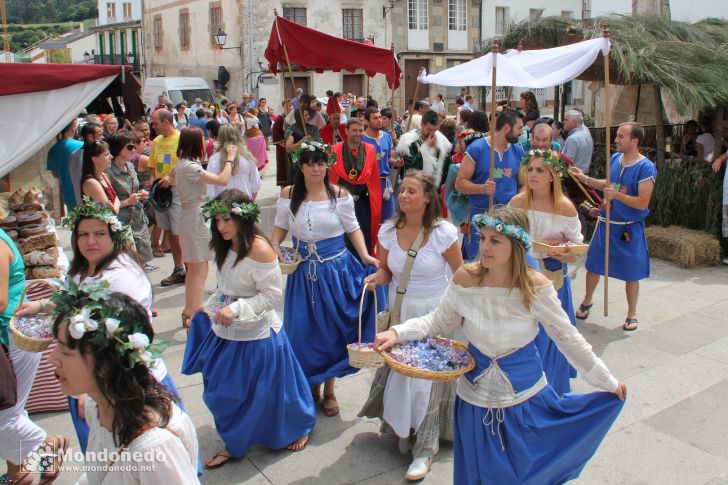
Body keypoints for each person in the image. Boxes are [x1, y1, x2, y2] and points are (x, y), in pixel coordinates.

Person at [374, 205, 626, 485]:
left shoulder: (535, 286)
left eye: (495, 241)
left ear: (516, 245)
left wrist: (608, 382)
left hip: (525, 400)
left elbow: (569, 339)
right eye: (482, 239)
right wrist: (398, 332)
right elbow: (437, 322)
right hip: (473, 403)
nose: (485, 247)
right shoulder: (465, 279)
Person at [15, 199, 184, 458]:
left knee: (134, 459)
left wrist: (91, 388)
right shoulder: (84, 268)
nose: (90, 241)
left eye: (99, 234)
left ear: (114, 236)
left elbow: (120, 341)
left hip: (121, 385)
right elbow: (75, 300)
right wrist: (40, 305)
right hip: (90, 379)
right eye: (83, 234)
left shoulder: (123, 278)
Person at [182, 190, 316, 468]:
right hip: (226, 330)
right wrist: (208, 307)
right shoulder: (224, 245)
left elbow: (271, 296)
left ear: (243, 218)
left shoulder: (260, 248)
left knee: (273, 394)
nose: (221, 227)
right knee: (221, 391)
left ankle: (296, 427)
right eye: (217, 221)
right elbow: (223, 288)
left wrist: (237, 309)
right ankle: (235, 440)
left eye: (227, 220)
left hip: (258, 335)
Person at [360, 170, 462, 481]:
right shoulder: (388, 231)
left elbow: (460, 275)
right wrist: (377, 278)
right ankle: (404, 431)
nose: (403, 196)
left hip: (434, 314)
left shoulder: (444, 232)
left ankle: (425, 448)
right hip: (401, 314)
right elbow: (387, 271)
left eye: (412, 191)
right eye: (402, 190)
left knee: (425, 382)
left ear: (428, 197)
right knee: (404, 377)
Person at [49, 286, 200, 483]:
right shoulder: (97, 408)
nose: (52, 358)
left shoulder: (154, 450)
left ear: (106, 364)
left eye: (66, 352)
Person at [271, 142, 378, 418]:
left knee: (332, 331)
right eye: (311, 163)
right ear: (301, 166)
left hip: (334, 271)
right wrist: (272, 248)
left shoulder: (339, 194)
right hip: (302, 273)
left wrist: (365, 255)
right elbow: (281, 226)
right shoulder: (289, 194)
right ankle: (310, 384)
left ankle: (329, 389)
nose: (317, 168)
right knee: (303, 331)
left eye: (321, 163)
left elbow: (353, 228)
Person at [570, 122, 657, 331]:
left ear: (634, 141)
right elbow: (607, 184)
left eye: (620, 136)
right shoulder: (616, 159)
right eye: (616, 136)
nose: (616, 140)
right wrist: (585, 179)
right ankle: (587, 300)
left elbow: (642, 202)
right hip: (607, 222)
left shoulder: (645, 167)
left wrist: (616, 195)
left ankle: (631, 313)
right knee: (594, 265)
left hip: (628, 227)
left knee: (631, 271)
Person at [509, 149, 583, 395]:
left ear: (552, 175)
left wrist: (566, 253)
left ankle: (550, 389)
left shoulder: (565, 207)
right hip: (521, 277)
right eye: (530, 169)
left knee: (552, 336)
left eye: (540, 170)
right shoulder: (518, 202)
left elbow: (576, 248)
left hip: (553, 279)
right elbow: (506, 237)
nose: (533, 174)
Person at [0, 228, 66, 484]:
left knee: (5, 416)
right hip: (13, 336)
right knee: (12, 411)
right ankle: (18, 473)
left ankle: (48, 444)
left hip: (10, 337)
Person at [170, 127, 234, 328]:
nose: (206, 141)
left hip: (191, 215)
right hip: (196, 218)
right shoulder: (190, 166)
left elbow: (171, 176)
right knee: (199, 270)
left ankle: (189, 311)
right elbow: (223, 180)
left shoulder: (184, 164)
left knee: (194, 269)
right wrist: (230, 158)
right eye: (203, 139)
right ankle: (195, 315)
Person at [456, 109, 525, 261]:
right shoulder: (477, 149)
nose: (521, 132)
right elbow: (459, 183)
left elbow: (523, 184)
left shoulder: (518, 151)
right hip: (481, 216)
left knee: (505, 263)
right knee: (480, 261)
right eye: (519, 128)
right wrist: (481, 188)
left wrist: (520, 202)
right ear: (507, 128)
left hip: (508, 217)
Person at [329, 118, 382, 253]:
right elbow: (330, 178)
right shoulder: (334, 150)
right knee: (342, 240)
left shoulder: (370, 150)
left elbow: (374, 178)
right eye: (354, 130)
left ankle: (364, 271)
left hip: (363, 204)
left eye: (361, 130)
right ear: (346, 131)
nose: (358, 133)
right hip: (341, 204)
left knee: (364, 239)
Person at [106, 132, 155, 271]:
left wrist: (141, 194)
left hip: (138, 217)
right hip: (122, 221)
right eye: (129, 147)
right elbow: (106, 204)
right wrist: (128, 201)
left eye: (134, 146)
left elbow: (134, 189)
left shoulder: (130, 166)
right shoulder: (108, 172)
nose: (133, 150)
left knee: (140, 260)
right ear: (118, 149)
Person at [149, 109, 186, 287]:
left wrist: (171, 180)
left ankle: (189, 268)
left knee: (180, 232)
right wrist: (152, 184)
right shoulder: (156, 142)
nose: (153, 126)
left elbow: (188, 168)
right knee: (170, 231)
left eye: (155, 123)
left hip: (177, 192)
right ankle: (178, 268)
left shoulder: (181, 139)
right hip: (161, 193)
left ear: (166, 122)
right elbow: (153, 166)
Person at [397, 110, 452, 190]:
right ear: (422, 124)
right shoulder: (408, 142)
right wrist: (426, 147)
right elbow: (410, 169)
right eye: (429, 129)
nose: (432, 133)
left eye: (435, 130)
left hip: (435, 191)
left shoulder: (442, 141)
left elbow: (447, 166)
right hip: (416, 189)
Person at [207, 124, 261, 201]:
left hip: (221, 206)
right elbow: (256, 185)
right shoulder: (248, 158)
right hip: (244, 204)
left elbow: (210, 187)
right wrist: (251, 205)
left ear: (220, 138)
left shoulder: (214, 159)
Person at [362, 109, 396, 222]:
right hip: (370, 183)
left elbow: (389, 158)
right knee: (373, 219)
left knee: (389, 219)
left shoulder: (386, 136)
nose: (379, 120)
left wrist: (396, 162)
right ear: (367, 121)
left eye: (380, 117)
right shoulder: (362, 139)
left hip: (386, 183)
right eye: (375, 118)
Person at [48, 118, 84, 210]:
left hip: (68, 197)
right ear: (73, 127)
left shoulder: (52, 150)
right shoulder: (82, 146)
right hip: (85, 195)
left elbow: (55, 174)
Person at [81, 139, 120, 213]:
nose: (111, 157)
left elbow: (117, 200)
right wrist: (115, 206)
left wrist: (115, 205)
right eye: (106, 154)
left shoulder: (103, 175)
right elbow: (110, 212)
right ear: (95, 159)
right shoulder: (91, 182)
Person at [274, 99, 294, 187]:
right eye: (287, 106)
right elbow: (277, 137)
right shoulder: (279, 120)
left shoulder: (296, 118)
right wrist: (287, 146)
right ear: (283, 108)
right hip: (283, 150)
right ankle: (284, 190)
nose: (289, 107)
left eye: (291, 105)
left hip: (295, 149)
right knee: (284, 171)